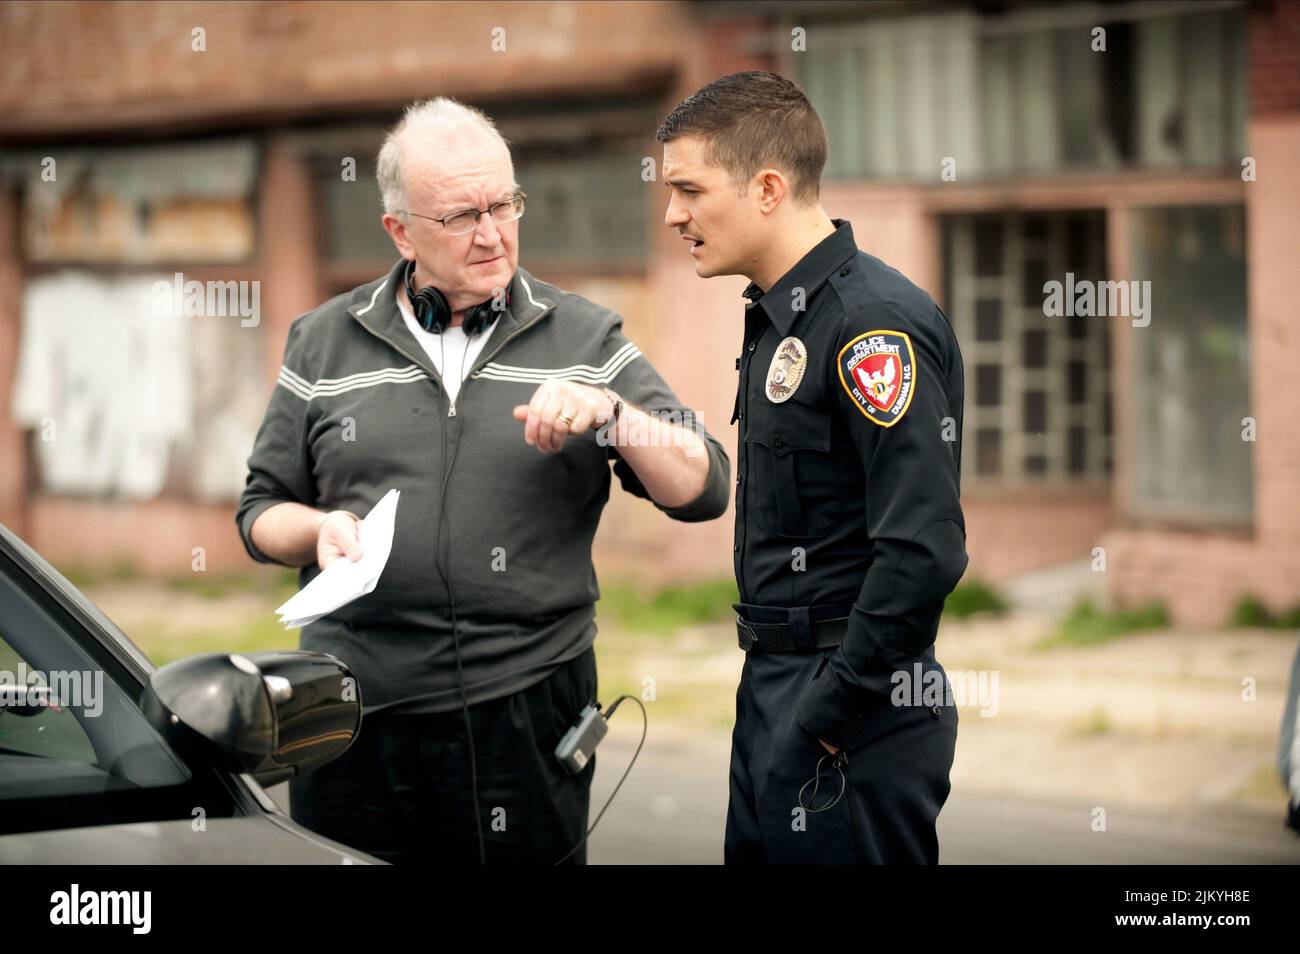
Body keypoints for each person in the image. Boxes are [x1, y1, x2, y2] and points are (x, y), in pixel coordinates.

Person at [236, 97, 730, 865]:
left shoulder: (583, 334)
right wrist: (317, 529)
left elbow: (703, 485)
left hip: (524, 715)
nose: (493, 233)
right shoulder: (323, 340)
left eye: (504, 204)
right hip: (351, 718)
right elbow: (260, 511)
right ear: (400, 231)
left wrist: (610, 411)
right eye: (462, 215)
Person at [657, 71, 967, 864]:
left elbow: (923, 549)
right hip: (776, 685)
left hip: (851, 706)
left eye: (690, 190)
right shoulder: (779, 318)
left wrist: (832, 711)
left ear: (766, 188)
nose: (673, 215)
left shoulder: (871, 325)